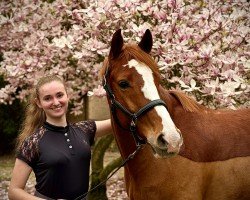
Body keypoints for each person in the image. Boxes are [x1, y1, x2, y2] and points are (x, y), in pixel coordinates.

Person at [8, 75, 112, 200]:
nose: (56, 102)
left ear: (67, 95)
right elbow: (14, 191)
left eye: (59, 95)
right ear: (39, 103)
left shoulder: (84, 129)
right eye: (48, 98)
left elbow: (120, 121)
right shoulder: (33, 142)